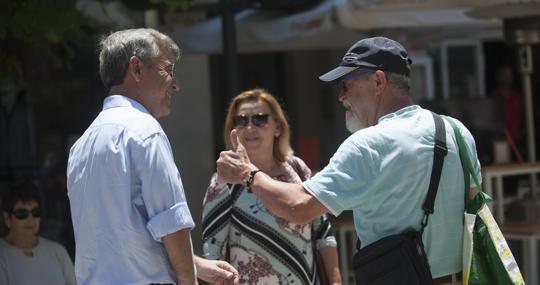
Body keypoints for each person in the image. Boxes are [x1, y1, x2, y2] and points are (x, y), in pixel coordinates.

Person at [217, 37, 482, 285]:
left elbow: (298, 208)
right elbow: (474, 202)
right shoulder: (456, 131)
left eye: (347, 85)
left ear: (379, 81)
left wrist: (247, 173)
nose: (341, 96)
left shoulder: (368, 144)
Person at [66, 28, 238, 285]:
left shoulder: (81, 145)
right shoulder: (144, 131)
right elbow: (171, 224)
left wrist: (197, 265)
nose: (176, 84)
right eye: (168, 69)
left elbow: (125, 239)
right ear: (136, 68)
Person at [202, 89, 342, 285]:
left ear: (277, 127)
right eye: (241, 120)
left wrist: (336, 282)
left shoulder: (298, 169)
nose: (250, 127)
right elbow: (213, 248)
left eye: (260, 119)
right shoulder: (225, 181)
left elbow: (323, 233)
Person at [0, 181, 76, 285]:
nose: (31, 219)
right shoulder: (2, 254)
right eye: (22, 214)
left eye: (36, 212)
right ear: (7, 218)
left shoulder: (57, 251)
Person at [489, 66, 524, 147]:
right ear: (498, 78)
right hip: (499, 139)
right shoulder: (493, 97)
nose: (507, 78)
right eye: (504, 75)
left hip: (516, 139)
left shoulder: (517, 97)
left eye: (509, 75)